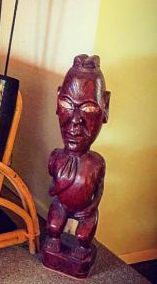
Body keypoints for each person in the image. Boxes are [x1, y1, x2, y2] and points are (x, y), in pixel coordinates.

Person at [44, 54, 110, 261]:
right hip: (62, 206)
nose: (75, 121)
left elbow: (99, 189)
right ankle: (54, 240)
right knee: (52, 227)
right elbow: (53, 185)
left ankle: (82, 249)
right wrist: (57, 191)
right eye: (66, 104)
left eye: (89, 108)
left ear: (105, 106)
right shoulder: (56, 157)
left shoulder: (97, 163)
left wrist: (92, 206)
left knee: (83, 236)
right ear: (57, 101)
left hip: (85, 212)